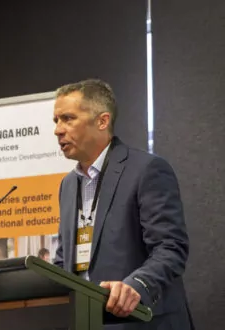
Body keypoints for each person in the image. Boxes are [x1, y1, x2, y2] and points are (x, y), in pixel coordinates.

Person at [53, 79, 194, 330]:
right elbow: (65, 261)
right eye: (56, 121)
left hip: (142, 322)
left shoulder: (146, 170)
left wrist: (136, 285)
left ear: (102, 121)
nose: (58, 130)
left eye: (68, 118)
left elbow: (170, 247)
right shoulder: (68, 185)